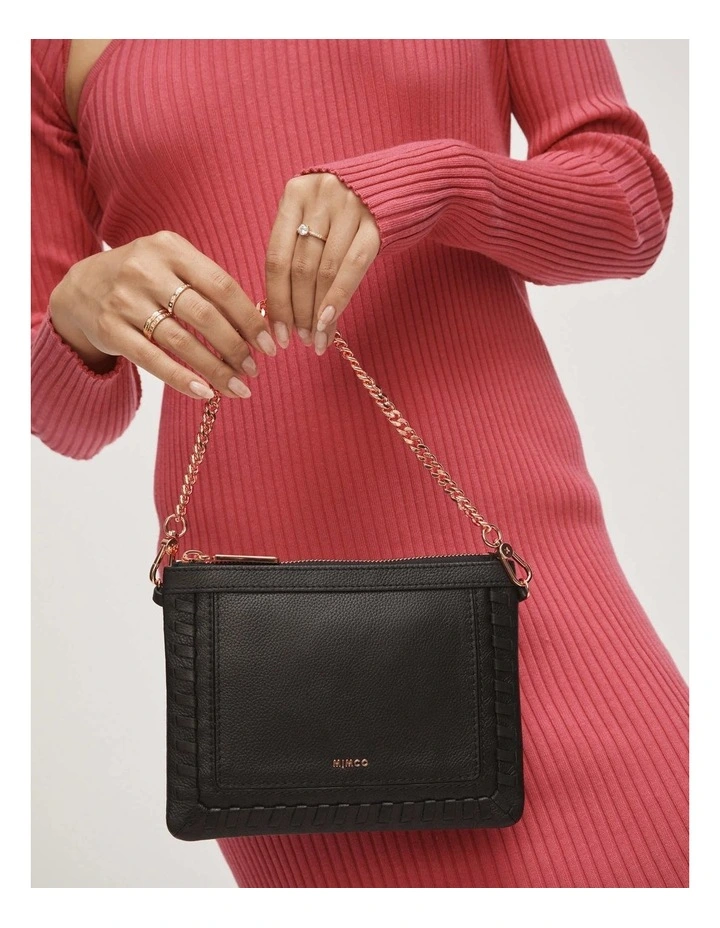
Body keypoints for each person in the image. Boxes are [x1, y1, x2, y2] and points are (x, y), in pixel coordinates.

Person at [31, 38, 688, 888]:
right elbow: (72, 417)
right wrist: (77, 311)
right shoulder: (46, 43)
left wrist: (435, 183)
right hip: (274, 672)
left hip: (521, 585)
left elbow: (628, 205)